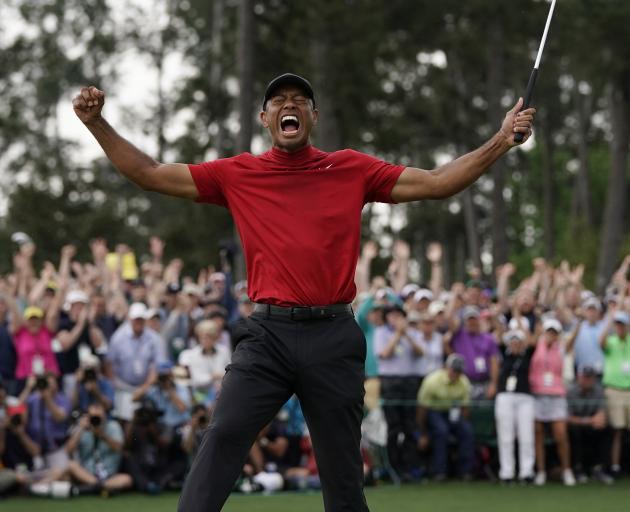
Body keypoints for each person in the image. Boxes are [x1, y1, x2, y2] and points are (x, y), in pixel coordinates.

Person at [72, 72, 535, 511]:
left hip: (333, 335)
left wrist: (502, 141)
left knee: (341, 473)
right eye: (278, 100)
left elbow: (437, 183)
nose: (288, 105)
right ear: (265, 118)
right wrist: (97, 124)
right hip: (268, 335)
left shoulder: (350, 168)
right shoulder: (238, 173)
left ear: (312, 117)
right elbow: (150, 172)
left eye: (298, 100)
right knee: (225, 432)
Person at [33, 403, 132, 496]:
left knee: (126, 479)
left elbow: (119, 448)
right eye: (93, 417)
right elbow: (68, 451)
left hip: (109, 476)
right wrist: (80, 429)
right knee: (70, 466)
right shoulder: (83, 429)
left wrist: (102, 435)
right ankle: (98, 487)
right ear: (88, 417)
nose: (96, 420)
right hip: (86, 474)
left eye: (99, 417)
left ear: (105, 416)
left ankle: (86, 489)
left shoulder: (113, 426)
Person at [373, 305, 423, 479]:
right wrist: (398, 335)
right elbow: (384, 353)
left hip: (409, 381)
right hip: (390, 382)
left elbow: (420, 352)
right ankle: (393, 467)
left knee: (409, 426)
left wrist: (407, 334)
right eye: (392, 316)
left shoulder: (413, 333)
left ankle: (409, 467)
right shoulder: (381, 333)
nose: (395, 319)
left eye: (398, 316)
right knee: (393, 426)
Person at [529, 318, 576, 486]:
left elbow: (572, 341)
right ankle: (540, 471)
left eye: (554, 333)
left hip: (556, 396)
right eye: (548, 332)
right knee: (538, 435)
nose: (551, 335)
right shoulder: (536, 345)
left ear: (557, 336)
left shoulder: (561, 348)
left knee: (561, 435)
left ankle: (566, 470)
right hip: (538, 395)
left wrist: (579, 322)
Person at [417, 354, 474, 481]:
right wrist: (423, 433)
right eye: (454, 370)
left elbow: (465, 408)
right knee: (441, 431)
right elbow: (422, 409)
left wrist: (460, 423)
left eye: (459, 371)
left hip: (453, 412)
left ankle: (464, 471)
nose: (456, 373)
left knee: (467, 431)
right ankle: (439, 471)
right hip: (433, 411)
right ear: (446, 368)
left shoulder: (464, 382)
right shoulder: (432, 381)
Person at [106, 302, 164, 421]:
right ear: (130, 319)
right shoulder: (118, 337)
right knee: (124, 419)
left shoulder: (154, 338)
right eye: (136, 319)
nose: (139, 322)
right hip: (122, 386)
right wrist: (114, 385)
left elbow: (156, 366)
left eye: (141, 319)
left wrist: (144, 388)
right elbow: (109, 364)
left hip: (147, 387)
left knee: (150, 419)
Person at [494, 329, 536, 483]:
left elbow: (533, 340)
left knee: (526, 436)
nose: (515, 344)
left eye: (518, 341)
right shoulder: (503, 355)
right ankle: (507, 472)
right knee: (506, 436)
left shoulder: (528, 354)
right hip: (505, 396)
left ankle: (526, 472)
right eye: (513, 341)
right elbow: (497, 332)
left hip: (525, 397)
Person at [567, 365, 612, 484]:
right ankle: (578, 468)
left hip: (592, 424)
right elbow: (568, 418)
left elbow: (602, 413)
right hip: (578, 425)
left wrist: (598, 419)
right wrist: (587, 421)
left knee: (606, 429)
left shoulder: (598, 390)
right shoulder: (571, 391)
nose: (588, 380)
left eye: (590, 378)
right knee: (574, 431)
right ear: (578, 377)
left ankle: (599, 468)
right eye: (585, 377)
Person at [598, 309, 630, 477]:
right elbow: (600, 341)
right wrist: (610, 319)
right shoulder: (611, 341)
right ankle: (615, 466)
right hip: (614, 390)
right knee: (616, 430)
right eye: (617, 325)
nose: (620, 328)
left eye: (622, 325)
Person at [446, 305, 499, 400]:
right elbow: (449, 320)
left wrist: (493, 383)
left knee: (483, 411)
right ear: (465, 321)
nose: (472, 322)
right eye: (469, 319)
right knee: (465, 411)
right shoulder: (459, 335)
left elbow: (494, 361)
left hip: (484, 381)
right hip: (463, 381)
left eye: (474, 319)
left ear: (478, 320)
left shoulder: (488, 338)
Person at [177, 319, 231, 403]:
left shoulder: (224, 351)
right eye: (202, 337)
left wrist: (219, 381)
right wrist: (213, 377)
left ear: (215, 337)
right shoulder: (193, 355)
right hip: (201, 393)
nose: (205, 340)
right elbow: (196, 380)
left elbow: (229, 373)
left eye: (209, 337)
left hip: (223, 391)